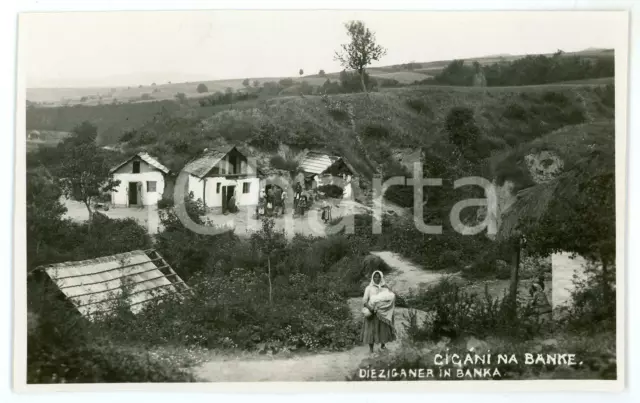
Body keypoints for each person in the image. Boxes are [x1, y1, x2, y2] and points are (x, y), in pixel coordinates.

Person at [362, 269, 396, 353]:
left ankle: (383, 346)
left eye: (379, 277)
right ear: (372, 278)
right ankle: (371, 349)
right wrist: (370, 308)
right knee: (371, 331)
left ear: (381, 278)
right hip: (372, 313)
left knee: (383, 329)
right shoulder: (369, 288)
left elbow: (391, 297)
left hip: (382, 313)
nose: (377, 279)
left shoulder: (385, 287)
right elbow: (364, 301)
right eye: (375, 277)